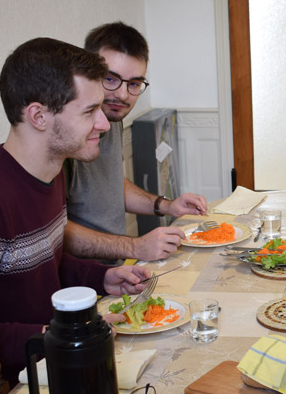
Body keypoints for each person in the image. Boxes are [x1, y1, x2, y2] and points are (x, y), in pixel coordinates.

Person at [0, 37, 151, 382]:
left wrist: (100, 277)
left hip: (50, 362)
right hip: (6, 391)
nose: (104, 124)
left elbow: (43, 262)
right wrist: (54, 338)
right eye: (89, 111)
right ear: (38, 116)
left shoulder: (51, 171)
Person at [64, 21, 208, 262]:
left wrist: (167, 206)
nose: (122, 95)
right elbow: (56, 230)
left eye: (133, 84)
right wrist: (135, 248)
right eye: (110, 79)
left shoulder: (113, 118)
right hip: (80, 286)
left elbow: (111, 184)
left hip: (114, 270)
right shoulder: (66, 133)